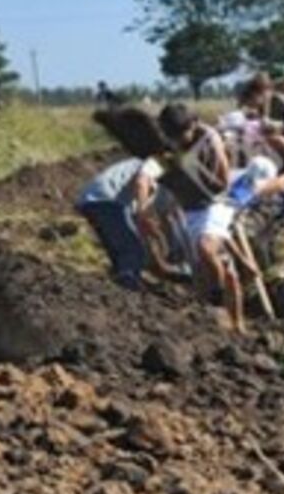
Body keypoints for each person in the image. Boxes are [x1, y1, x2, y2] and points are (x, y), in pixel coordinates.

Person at [158, 103, 255, 332]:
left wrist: (190, 169)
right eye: (173, 136)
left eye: (182, 135)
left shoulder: (209, 139)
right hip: (191, 208)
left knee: (206, 248)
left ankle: (219, 302)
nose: (178, 140)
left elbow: (222, 182)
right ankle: (228, 321)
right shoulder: (170, 141)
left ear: (193, 125)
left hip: (216, 202)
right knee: (211, 268)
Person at [74, 156, 166, 289]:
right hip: (104, 198)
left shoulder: (149, 186)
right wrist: (144, 214)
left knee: (123, 250)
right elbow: (141, 182)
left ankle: (123, 280)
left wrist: (153, 249)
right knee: (131, 249)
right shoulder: (156, 162)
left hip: (98, 200)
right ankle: (128, 282)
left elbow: (137, 223)